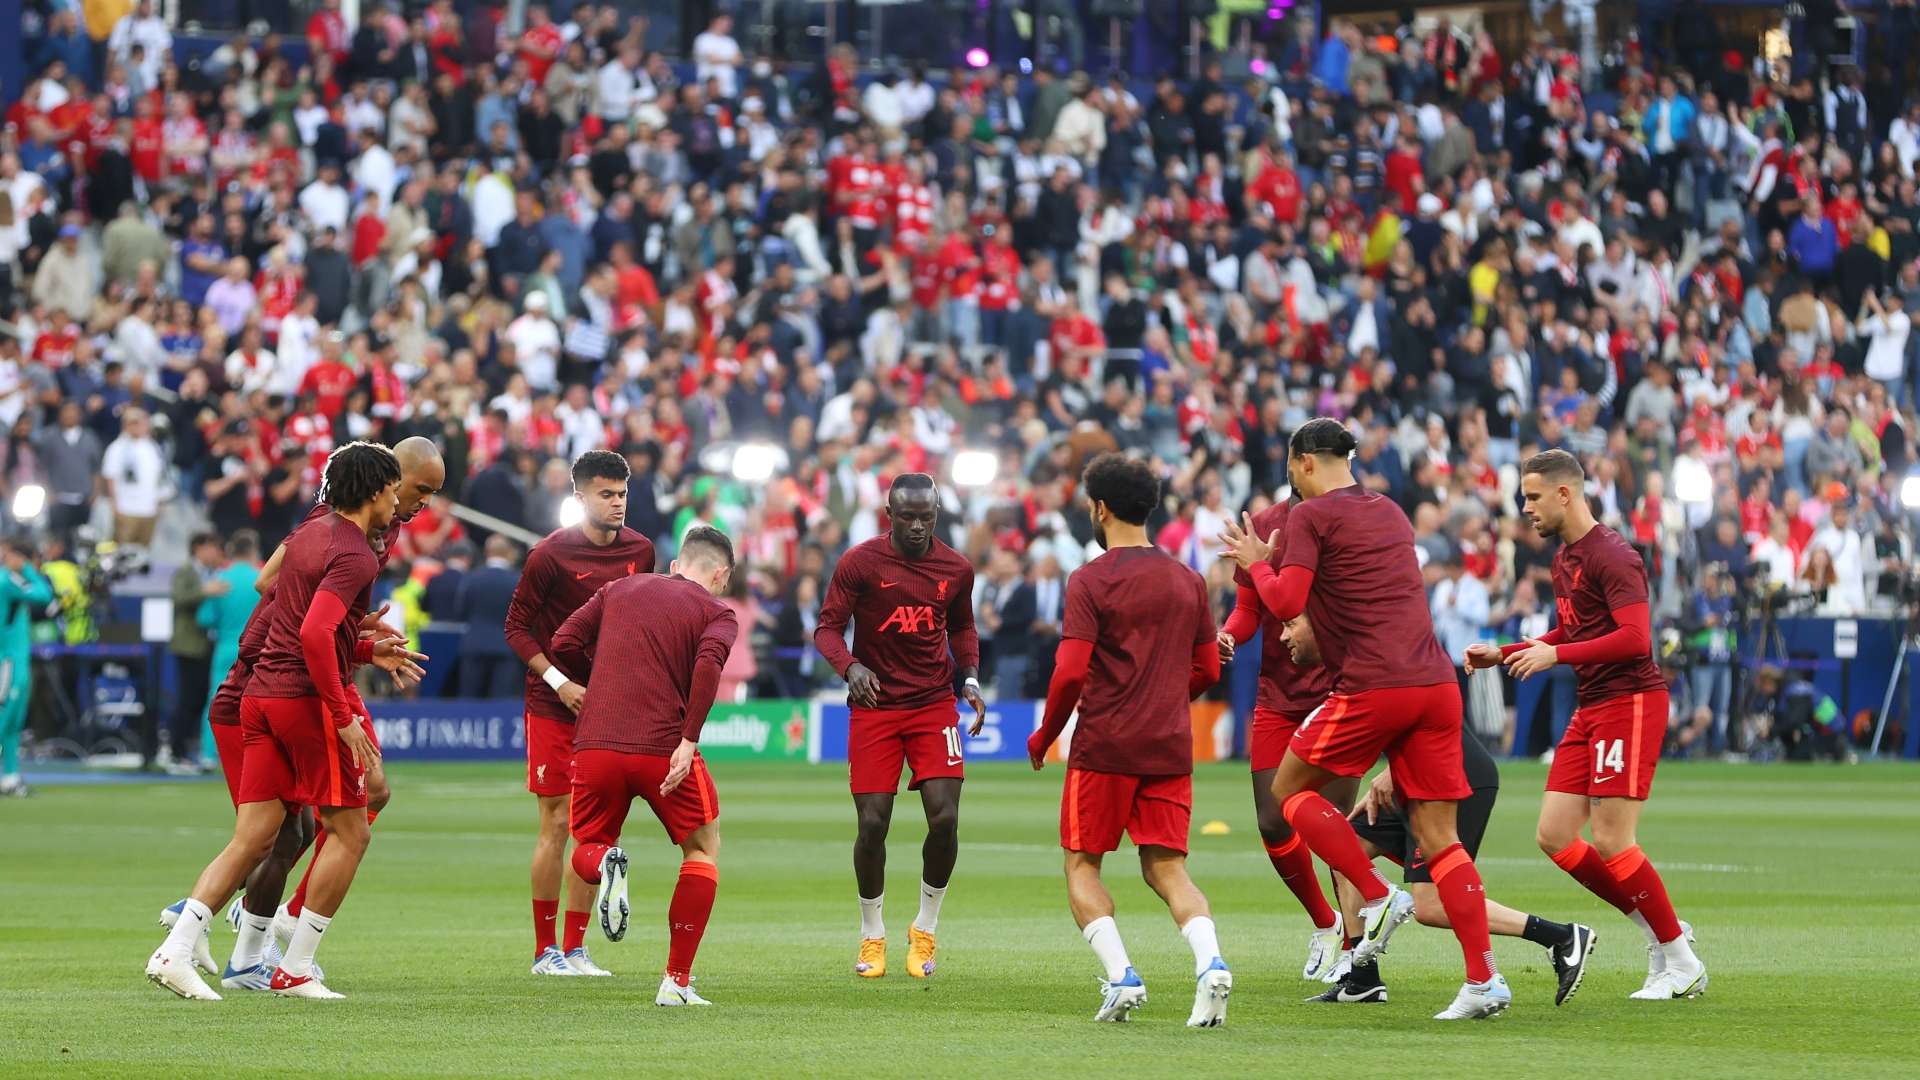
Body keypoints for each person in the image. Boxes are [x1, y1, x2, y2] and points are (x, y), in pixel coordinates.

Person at [1217, 417, 1506, 1021]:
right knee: (1439, 840)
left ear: (1301, 462)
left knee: (1288, 791)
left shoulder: (1309, 516)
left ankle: (1375, 898)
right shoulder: (1391, 510)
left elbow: (1287, 603)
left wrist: (1257, 561)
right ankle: (1483, 978)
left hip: (1375, 685)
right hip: (1435, 682)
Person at [161, 438, 443, 988]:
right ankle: (275, 930)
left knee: (286, 828)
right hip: (280, 683)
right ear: (388, 482)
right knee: (321, 827)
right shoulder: (343, 534)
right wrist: (343, 640)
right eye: (418, 490)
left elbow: (296, 601)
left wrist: (354, 634)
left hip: (277, 679)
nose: (422, 504)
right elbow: (287, 600)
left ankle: (229, 942)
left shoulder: (347, 532)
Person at [1465, 449, 1708, 1001]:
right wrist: (1503, 652)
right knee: (1554, 835)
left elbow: (1634, 639)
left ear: (1565, 494)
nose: (1525, 508)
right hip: (1594, 705)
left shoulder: (1614, 555)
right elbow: (1572, 630)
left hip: (1630, 701)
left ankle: (1682, 960)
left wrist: (1556, 657)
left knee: (1612, 839)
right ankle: (1659, 931)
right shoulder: (1565, 558)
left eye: (1531, 497)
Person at [1275, 611, 1597, 1007]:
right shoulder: (1351, 657)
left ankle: (1559, 937)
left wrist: (1393, 769)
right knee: (1346, 850)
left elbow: (1426, 704)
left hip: (1456, 772)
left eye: (1291, 625)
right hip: (1411, 775)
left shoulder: (1374, 649)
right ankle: (1362, 978)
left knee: (1430, 904)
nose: (1282, 637)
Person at [1026, 452, 1232, 1027]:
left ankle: (1121, 977)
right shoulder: (1187, 580)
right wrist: (1164, 698)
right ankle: (1211, 962)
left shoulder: (1091, 579)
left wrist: (1045, 734)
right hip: (1169, 744)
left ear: (1100, 508)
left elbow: (1070, 672)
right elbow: (1210, 669)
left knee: (1082, 865)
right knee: (1168, 868)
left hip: (1105, 745)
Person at [548, 525, 739, 1006]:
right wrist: (689, 740)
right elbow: (708, 667)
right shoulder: (717, 610)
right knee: (702, 849)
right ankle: (675, 981)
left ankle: (607, 864)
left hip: (595, 742)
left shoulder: (618, 588)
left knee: (587, 846)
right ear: (720, 574)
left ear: (676, 565)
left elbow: (564, 640)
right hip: (660, 746)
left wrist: (608, 673)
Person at [813, 473, 985, 981]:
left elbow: (963, 627)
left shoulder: (955, 567)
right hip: (876, 707)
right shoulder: (860, 563)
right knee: (872, 824)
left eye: (925, 517)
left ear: (936, 515)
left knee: (945, 819)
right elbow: (826, 629)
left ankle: (925, 927)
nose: (915, 526)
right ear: (889, 513)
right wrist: (850, 667)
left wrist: (971, 677)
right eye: (906, 517)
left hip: (934, 704)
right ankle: (872, 934)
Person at [502, 449, 655, 977]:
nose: (616, 504)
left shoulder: (641, 551)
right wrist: (558, 680)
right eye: (606, 495)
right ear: (580, 497)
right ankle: (546, 951)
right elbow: (516, 628)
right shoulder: (549, 555)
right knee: (557, 821)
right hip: (552, 700)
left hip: (608, 707)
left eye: (622, 494)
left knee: (598, 826)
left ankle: (576, 948)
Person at [1214, 494, 1345, 979]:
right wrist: (1229, 633)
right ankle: (1326, 923)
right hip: (1278, 692)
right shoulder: (1265, 524)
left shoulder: (1347, 520)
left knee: (1335, 828)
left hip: (1337, 687)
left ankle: (1355, 948)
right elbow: (1247, 608)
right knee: (1272, 819)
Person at [197, 532, 261, 771]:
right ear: (253, 551)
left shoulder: (221, 580)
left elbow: (204, 618)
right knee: (257, 703)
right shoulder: (261, 579)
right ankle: (254, 754)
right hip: (258, 650)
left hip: (226, 648)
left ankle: (209, 755)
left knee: (216, 700)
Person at [168, 533, 230, 773]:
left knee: (199, 700)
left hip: (206, 647)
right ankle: (176, 752)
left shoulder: (213, 573)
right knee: (188, 700)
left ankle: (187, 750)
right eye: (212, 547)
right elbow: (179, 597)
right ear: (198, 548)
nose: (215, 552)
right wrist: (206, 591)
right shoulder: (186, 572)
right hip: (188, 646)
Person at [0, 538, 54, 797]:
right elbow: (44, 595)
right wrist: (28, 568)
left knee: (13, 723)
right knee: (4, 719)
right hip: (6, 661)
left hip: (14, 659)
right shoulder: (6, 579)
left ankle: (9, 777)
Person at [455, 535, 523, 698]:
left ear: (486, 552)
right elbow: (523, 616)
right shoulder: (516, 581)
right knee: (501, 705)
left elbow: (461, 611)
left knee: (469, 704)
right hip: (505, 648)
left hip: (473, 646)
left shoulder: (471, 579)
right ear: (508, 553)